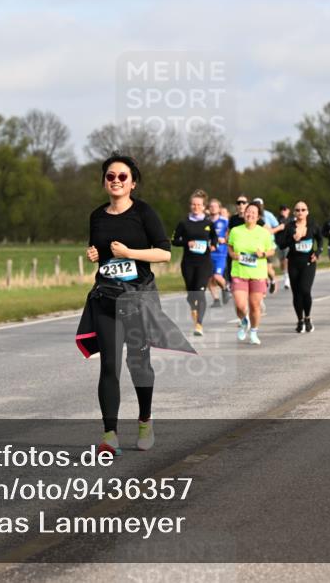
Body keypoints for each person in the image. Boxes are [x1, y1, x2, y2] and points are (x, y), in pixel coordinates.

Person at [78, 154, 191, 456]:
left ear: (133, 183)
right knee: (109, 365)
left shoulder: (144, 213)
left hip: (138, 297)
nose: (115, 180)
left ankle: (144, 420)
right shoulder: (97, 216)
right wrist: (95, 256)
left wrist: (130, 252)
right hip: (106, 297)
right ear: (104, 181)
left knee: (138, 364)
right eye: (110, 176)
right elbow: (104, 256)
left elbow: (165, 254)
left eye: (122, 177)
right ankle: (109, 435)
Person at [172, 190, 219, 336]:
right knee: (191, 294)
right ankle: (192, 305)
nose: (195, 207)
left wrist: (213, 245)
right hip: (188, 263)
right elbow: (175, 240)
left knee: (200, 292)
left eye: (198, 204)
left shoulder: (208, 223)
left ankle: (199, 325)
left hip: (204, 263)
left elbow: (214, 238)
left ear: (203, 206)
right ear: (190, 206)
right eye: (193, 204)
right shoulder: (184, 222)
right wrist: (187, 242)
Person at [227, 200, 274, 345]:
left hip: (258, 274)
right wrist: (233, 254)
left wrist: (263, 254)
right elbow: (230, 247)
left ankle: (253, 331)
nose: (250, 214)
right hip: (239, 272)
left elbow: (271, 250)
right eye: (248, 211)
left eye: (254, 212)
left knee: (254, 306)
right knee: (240, 305)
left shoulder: (264, 233)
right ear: (244, 214)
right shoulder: (236, 230)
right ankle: (243, 321)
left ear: (258, 216)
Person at [282, 201, 323, 333]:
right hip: (294, 262)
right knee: (296, 294)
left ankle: (308, 318)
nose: (300, 212)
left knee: (305, 290)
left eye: (303, 210)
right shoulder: (290, 227)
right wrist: (293, 239)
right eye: (297, 210)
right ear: (294, 213)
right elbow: (282, 244)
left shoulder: (313, 225)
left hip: (308, 262)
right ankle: (299, 320)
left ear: (307, 212)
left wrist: (317, 252)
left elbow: (320, 240)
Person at [252, 197, 284, 294]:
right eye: (255, 204)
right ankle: (262, 286)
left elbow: (277, 226)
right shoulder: (251, 215)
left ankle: (273, 280)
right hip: (254, 245)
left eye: (259, 204)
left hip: (267, 244)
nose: (258, 206)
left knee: (267, 268)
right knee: (259, 267)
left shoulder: (268, 215)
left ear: (262, 205)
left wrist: (271, 232)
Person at [206, 198, 230, 307]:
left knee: (217, 276)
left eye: (215, 206)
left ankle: (225, 288)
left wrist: (225, 240)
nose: (213, 208)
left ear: (219, 208)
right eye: (211, 206)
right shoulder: (205, 221)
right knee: (209, 278)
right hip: (207, 254)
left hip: (220, 254)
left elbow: (231, 236)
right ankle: (216, 299)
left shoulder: (225, 221)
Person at [275, 204, 291, 289]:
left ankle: (287, 279)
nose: (283, 211)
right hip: (278, 243)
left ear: (288, 210)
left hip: (288, 243)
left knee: (286, 260)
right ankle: (285, 274)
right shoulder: (277, 220)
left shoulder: (291, 220)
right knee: (281, 262)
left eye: (285, 209)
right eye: (281, 209)